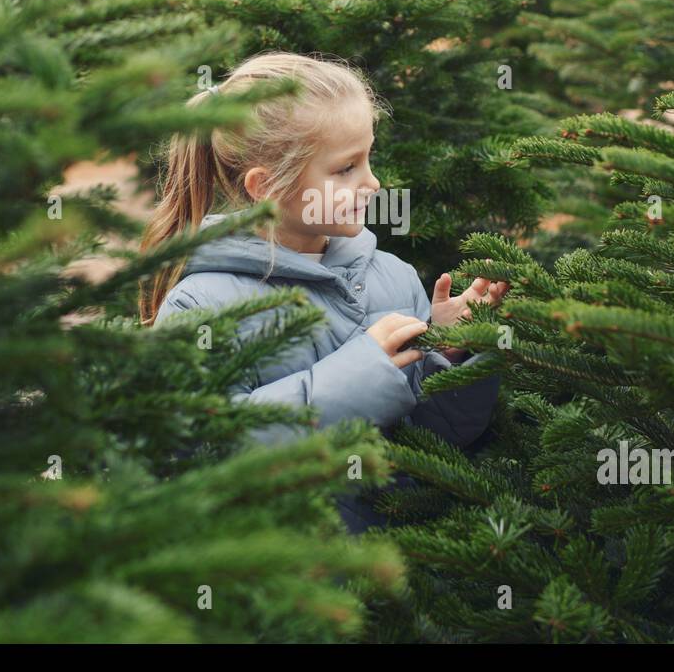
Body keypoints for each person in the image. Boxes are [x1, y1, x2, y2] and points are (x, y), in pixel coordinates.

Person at [140, 51, 508, 533]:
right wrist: (362, 374)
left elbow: (435, 439)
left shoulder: (393, 276)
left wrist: (449, 353)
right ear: (266, 186)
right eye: (345, 169)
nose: (372, 182)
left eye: (368, 158)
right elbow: (201, 460)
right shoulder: (201, 306)